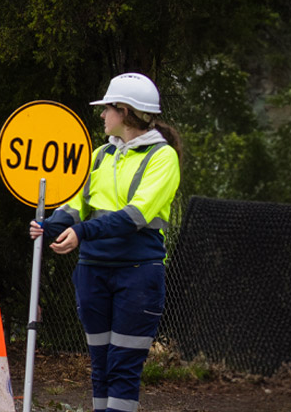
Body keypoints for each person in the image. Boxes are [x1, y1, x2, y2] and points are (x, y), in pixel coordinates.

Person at [29, 72, 181, 412]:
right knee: (100, 369)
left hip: (138, 275)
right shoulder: (97, 156)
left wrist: (81, 233)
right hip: (93, 273)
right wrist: (48, 226)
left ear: (124, 111)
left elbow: (135, 216)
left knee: (122, 370)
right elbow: (74, 207)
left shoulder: (162, 157)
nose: (101, 115)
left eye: (106, 109)